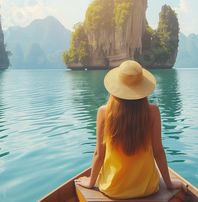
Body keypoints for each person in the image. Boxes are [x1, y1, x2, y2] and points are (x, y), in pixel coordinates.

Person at [75, 60, 187, 199]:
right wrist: (169, 183)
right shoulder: (153, 111)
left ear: (116, 86)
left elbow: (99, 153)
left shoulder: (103, 112)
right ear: (142, 87)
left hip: (113, 188)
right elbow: (158, 152)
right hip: (148, 188)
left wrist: (91, 182)